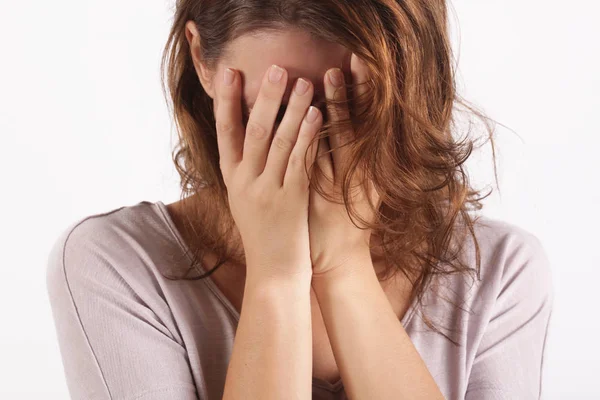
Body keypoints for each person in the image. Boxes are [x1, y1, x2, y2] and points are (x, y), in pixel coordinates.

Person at [46, 1, 554, 399]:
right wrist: (277, 276)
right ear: (202, 60)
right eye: (273, 113)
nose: (307, 148)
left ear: (411, 83)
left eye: (346, 112)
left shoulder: (497, 272)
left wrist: (343, 268)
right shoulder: (116, 268)